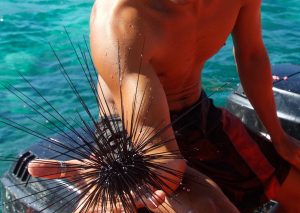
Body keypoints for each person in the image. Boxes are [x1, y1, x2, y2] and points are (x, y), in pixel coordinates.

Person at [29, 0, 300, 212]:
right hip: (132, 134)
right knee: (210, 207)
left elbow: (251, 56)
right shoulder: (122, 17)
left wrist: (278, 137)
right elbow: (162, 154)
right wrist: (153, 174)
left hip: (198, 112)